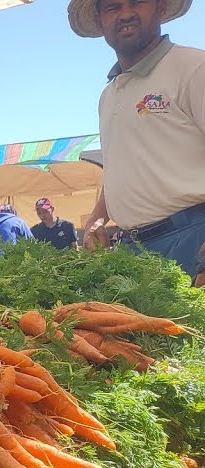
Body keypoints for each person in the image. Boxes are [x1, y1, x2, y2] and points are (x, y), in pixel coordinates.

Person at [73, 0, 205, 278]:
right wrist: (98, 217)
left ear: (160, 7)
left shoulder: (194, 68)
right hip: (133, 249)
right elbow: (120, 167)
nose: (126, 14)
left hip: (194, 238)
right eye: (113, 7)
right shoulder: (108, 96)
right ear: (99, 21)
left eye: (138, 2)